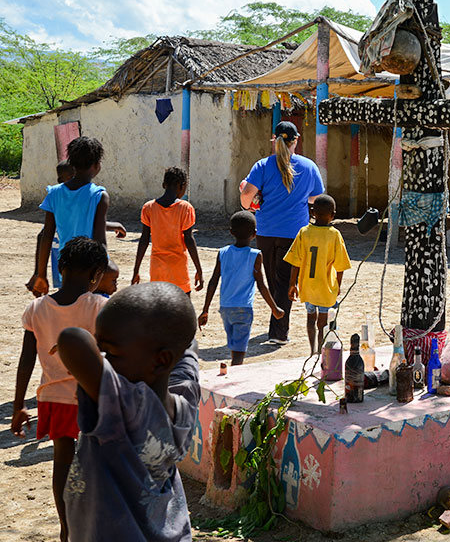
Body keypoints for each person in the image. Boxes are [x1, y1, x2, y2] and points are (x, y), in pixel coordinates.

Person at [56, 282, 199, 542]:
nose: (101, 358)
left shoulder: (125, 405)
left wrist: (89, 357)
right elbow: (188, 352)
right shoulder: (185, 397)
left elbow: (71, 339)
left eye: (109, 351)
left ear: (161, 360)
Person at [12, 236, 109, 542]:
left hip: (53, 397)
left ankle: (67, 527)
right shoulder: (99, 306)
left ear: (61, 266)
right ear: (96, 273)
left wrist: (18, 406)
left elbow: (26, 360)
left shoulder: (36, 309)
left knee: (62, 461)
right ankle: (95, 524)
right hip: (93, 398)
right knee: (99, 461)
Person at [240, 121, 324, 344]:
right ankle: (278, 332)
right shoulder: (308, 166)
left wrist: (253, 203)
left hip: (266, 231)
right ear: (295, 141)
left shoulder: (262, 166)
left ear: (274, 139)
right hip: (294, 233)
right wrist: (298, 197)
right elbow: (317, 197)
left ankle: (277, 324)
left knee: (273, 280)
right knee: (285, 281)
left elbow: (245, 197)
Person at [198, 211, 285, 365]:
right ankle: (233, 376)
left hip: (225, 308)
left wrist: (205, 309)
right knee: (239, 352)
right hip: (243, 310)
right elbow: (261, 285)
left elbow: (213, 281)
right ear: (255, 234)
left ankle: (232, 369)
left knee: (234, 346)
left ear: (231, 232)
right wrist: (274, 308)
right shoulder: (256, 255)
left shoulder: (223, 253)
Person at [29, 138, 114, 296]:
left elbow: (47, 235)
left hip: (66, 266)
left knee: (70, 310)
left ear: (72, 164)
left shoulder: (54, 193)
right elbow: (100, 240)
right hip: (92, 268)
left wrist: (41, 274)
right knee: (93, 313)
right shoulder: (99, 196)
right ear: (97, 165)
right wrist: (104, 270)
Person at [284, 194, 352, 355]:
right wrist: (338, 286)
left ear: (312, 212)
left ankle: (313, 350)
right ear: (333, 215)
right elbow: (340, 266)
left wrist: (292, 284)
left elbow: (295, 262)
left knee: (310, 319)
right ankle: (322, 353)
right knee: (323, 323)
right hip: (325, 288)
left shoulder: (304, 232)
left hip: (307, 286)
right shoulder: (334, 235)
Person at [132, 166, 203, 294]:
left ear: (163, 184)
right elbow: (189, 239)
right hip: (178, 269)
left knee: (159, 308)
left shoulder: (148, 208)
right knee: (182, 309)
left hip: (157, 269)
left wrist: (136, 270)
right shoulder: (185, 208)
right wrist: (199, 270)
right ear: (182, 186)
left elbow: (144, 240)